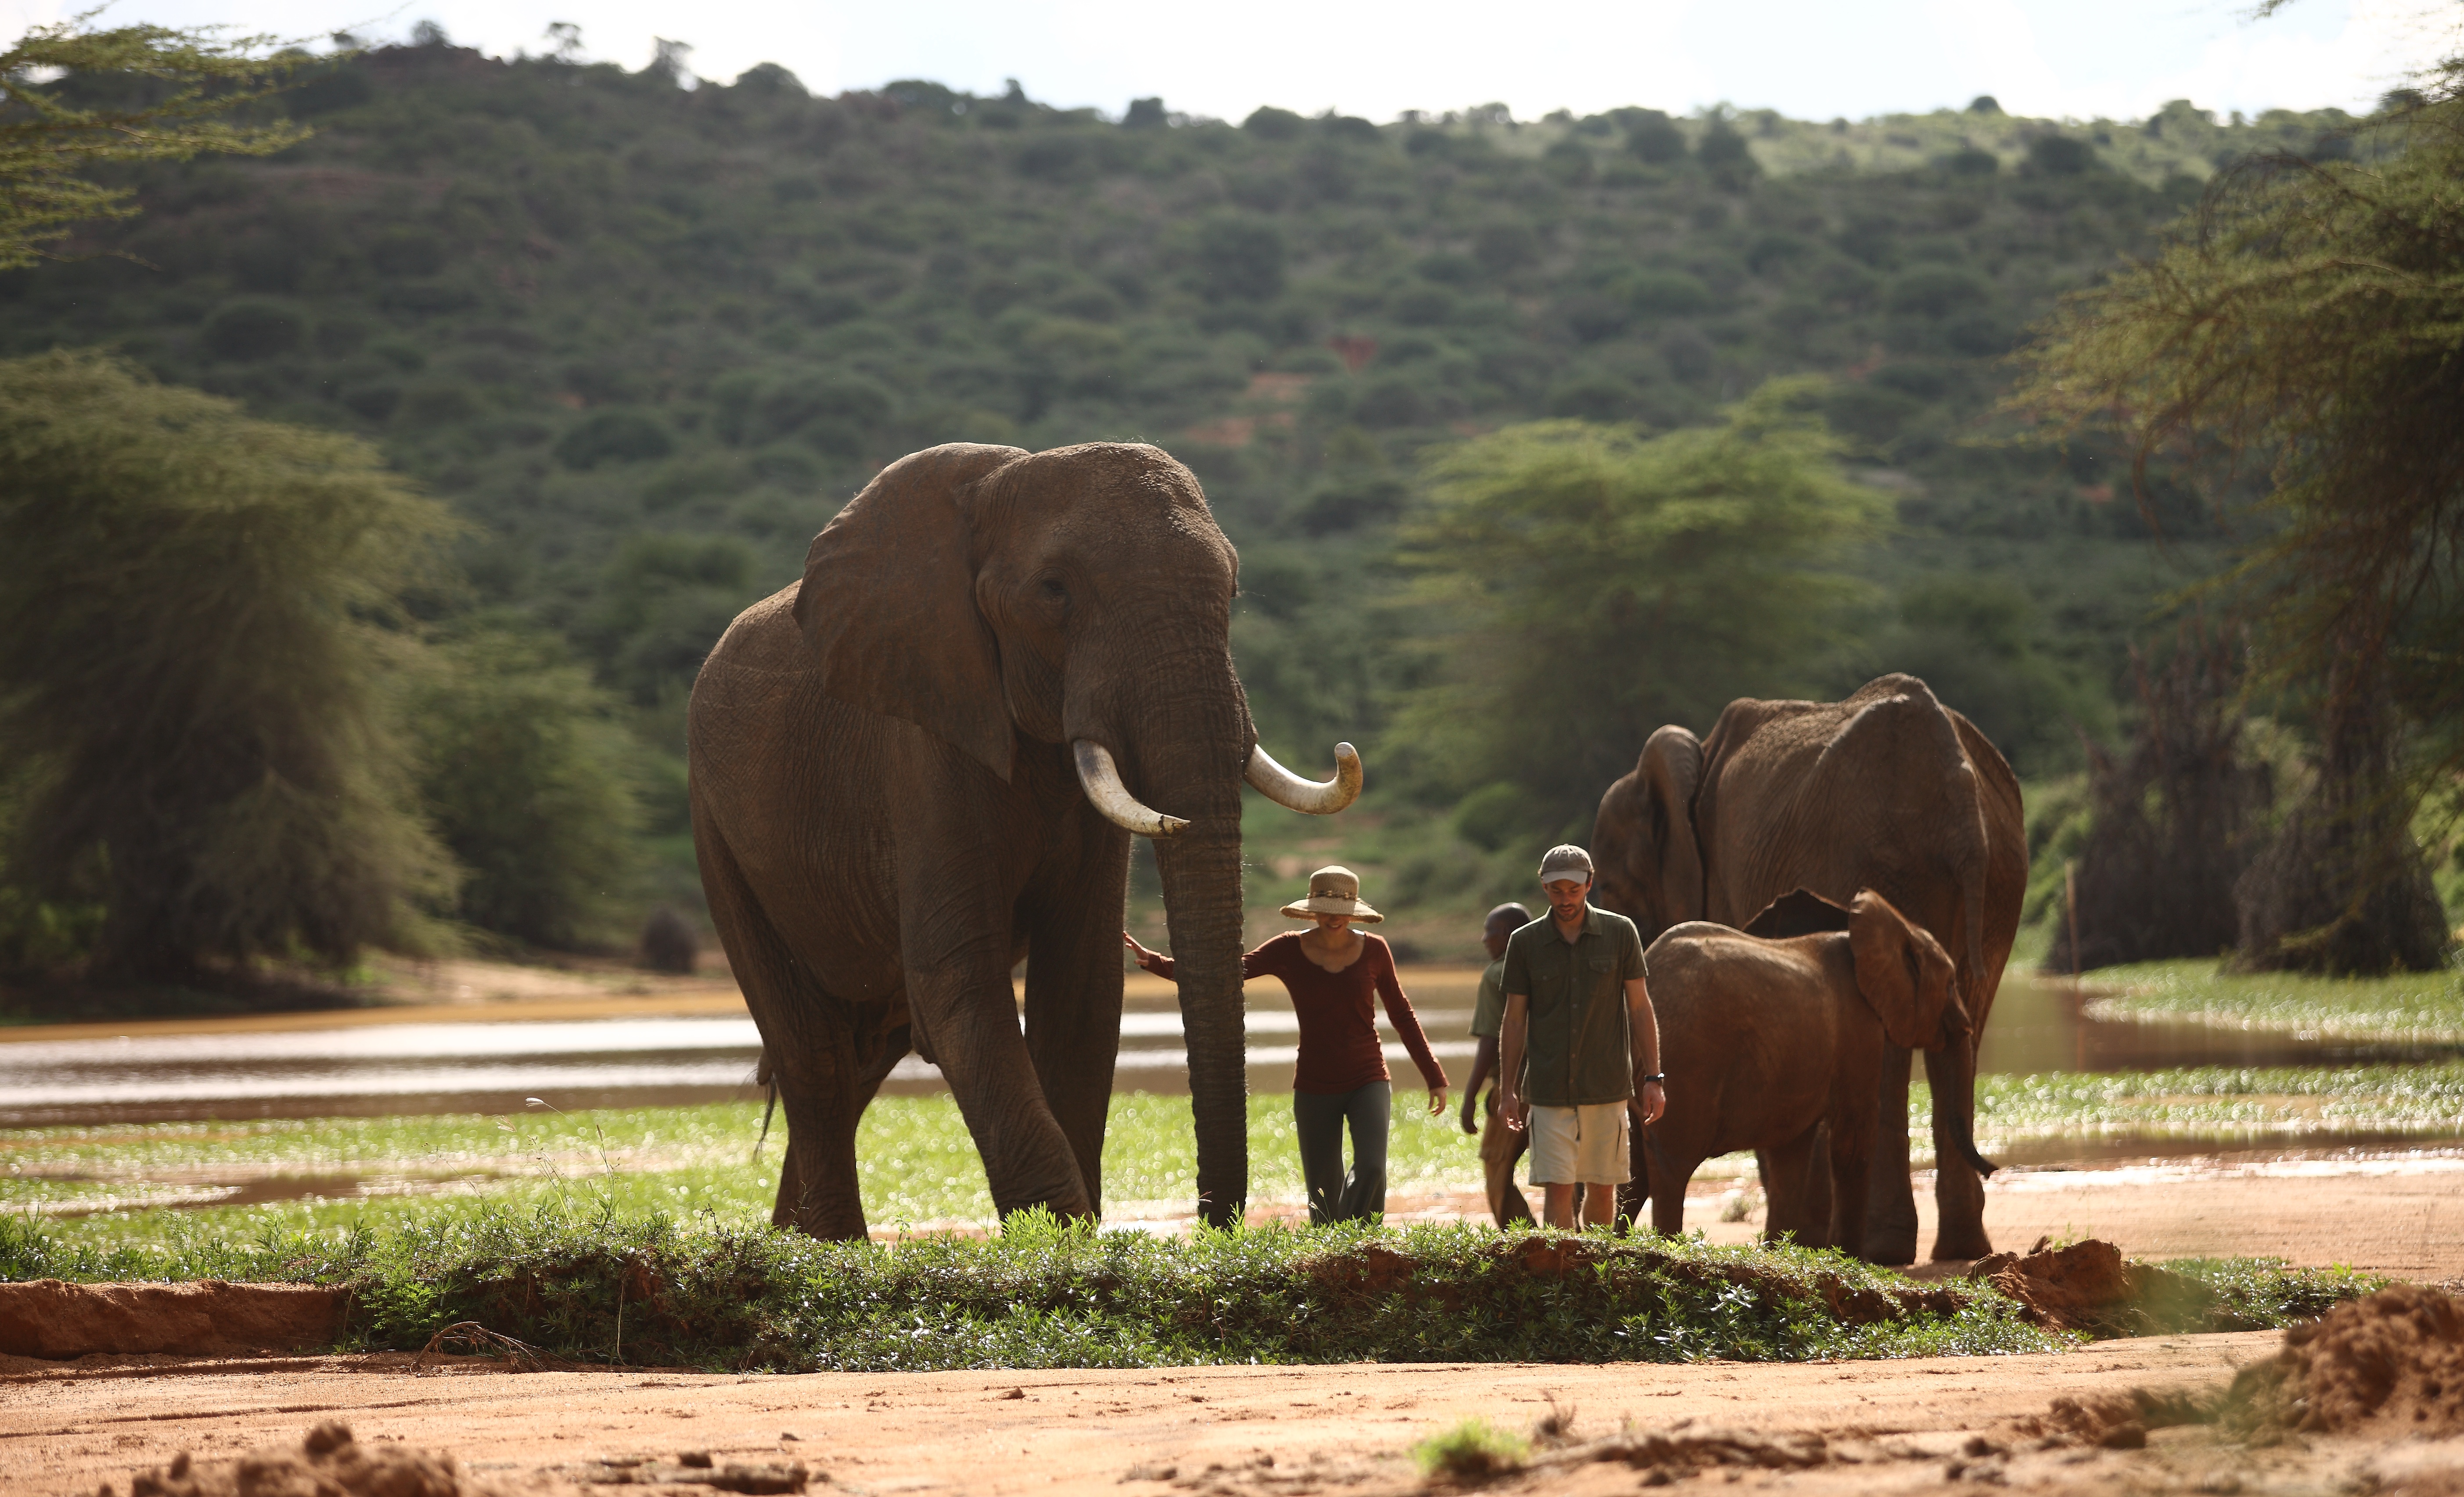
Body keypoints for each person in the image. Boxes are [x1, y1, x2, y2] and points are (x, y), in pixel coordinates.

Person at [1126, 865, 1449, 1224]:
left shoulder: (1374, 949)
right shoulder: (1288, 948)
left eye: (1341, 910)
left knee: (1372, 1166)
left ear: (1353, 911)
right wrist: (1157, 964)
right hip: (1314, 1084)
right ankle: (1331, 1250)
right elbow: (1230, 971)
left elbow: (1402, 1013)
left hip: (1368, 1077)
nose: (1334, 917)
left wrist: (1433, 1074)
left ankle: (1360, 1241)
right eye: (1325, 908)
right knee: (1323, 1190)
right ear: (1312, 908)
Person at [1497, 845, 1664, 1231]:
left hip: (1606, 1086)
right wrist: (1508, 1090)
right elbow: (1514, 1020)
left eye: (1573, 889)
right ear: (1544, 887)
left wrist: (1654, 1078)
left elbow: (1640, 1008)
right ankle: (1561, 1282)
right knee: (1557, 1188)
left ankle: (1594, 1275)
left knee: (1603, 1188)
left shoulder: (1620, 932)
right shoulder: (1524, 943)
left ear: (1588, 884)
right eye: (1556, 890)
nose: (1565, 899)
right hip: (1547, 1088)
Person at [1458, 902, 1538, 1228]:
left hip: (1514, 1087)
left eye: (1489, 931)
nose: (1483, 939)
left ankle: (1526, 1245)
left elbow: (1491, 1040)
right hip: (1555, 1084)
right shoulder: (1545, 965)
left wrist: (1469, 1097)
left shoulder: (1498, 973)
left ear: (1506, 935)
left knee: (1497, 1168)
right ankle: (1570, 1243)